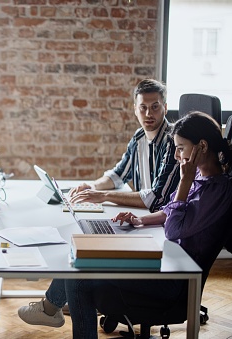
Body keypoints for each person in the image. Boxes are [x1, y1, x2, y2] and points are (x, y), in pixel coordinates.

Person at [18, 112, 232, 338]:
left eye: (180, 148)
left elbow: (174, 229)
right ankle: (50, 310)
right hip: (166, 261)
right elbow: (171, 210)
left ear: (202, 146)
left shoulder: (218, 191)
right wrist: (140, 219)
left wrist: (185, 182)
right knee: (82, 256)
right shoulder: (200, 177)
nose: (177, 155)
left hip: (175, 283)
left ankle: (49, 310)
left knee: (79, 277)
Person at [70, 79, 180, 212]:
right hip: (142, 215)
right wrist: (92, 187)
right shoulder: (138, 138)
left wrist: (104, 196)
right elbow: (119, 175)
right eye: (143, 107)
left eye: (155, 107)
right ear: (135, 109)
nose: (148, 114)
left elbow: (157, 198)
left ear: (166, 108)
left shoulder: (173, 141)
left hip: (164, 222)